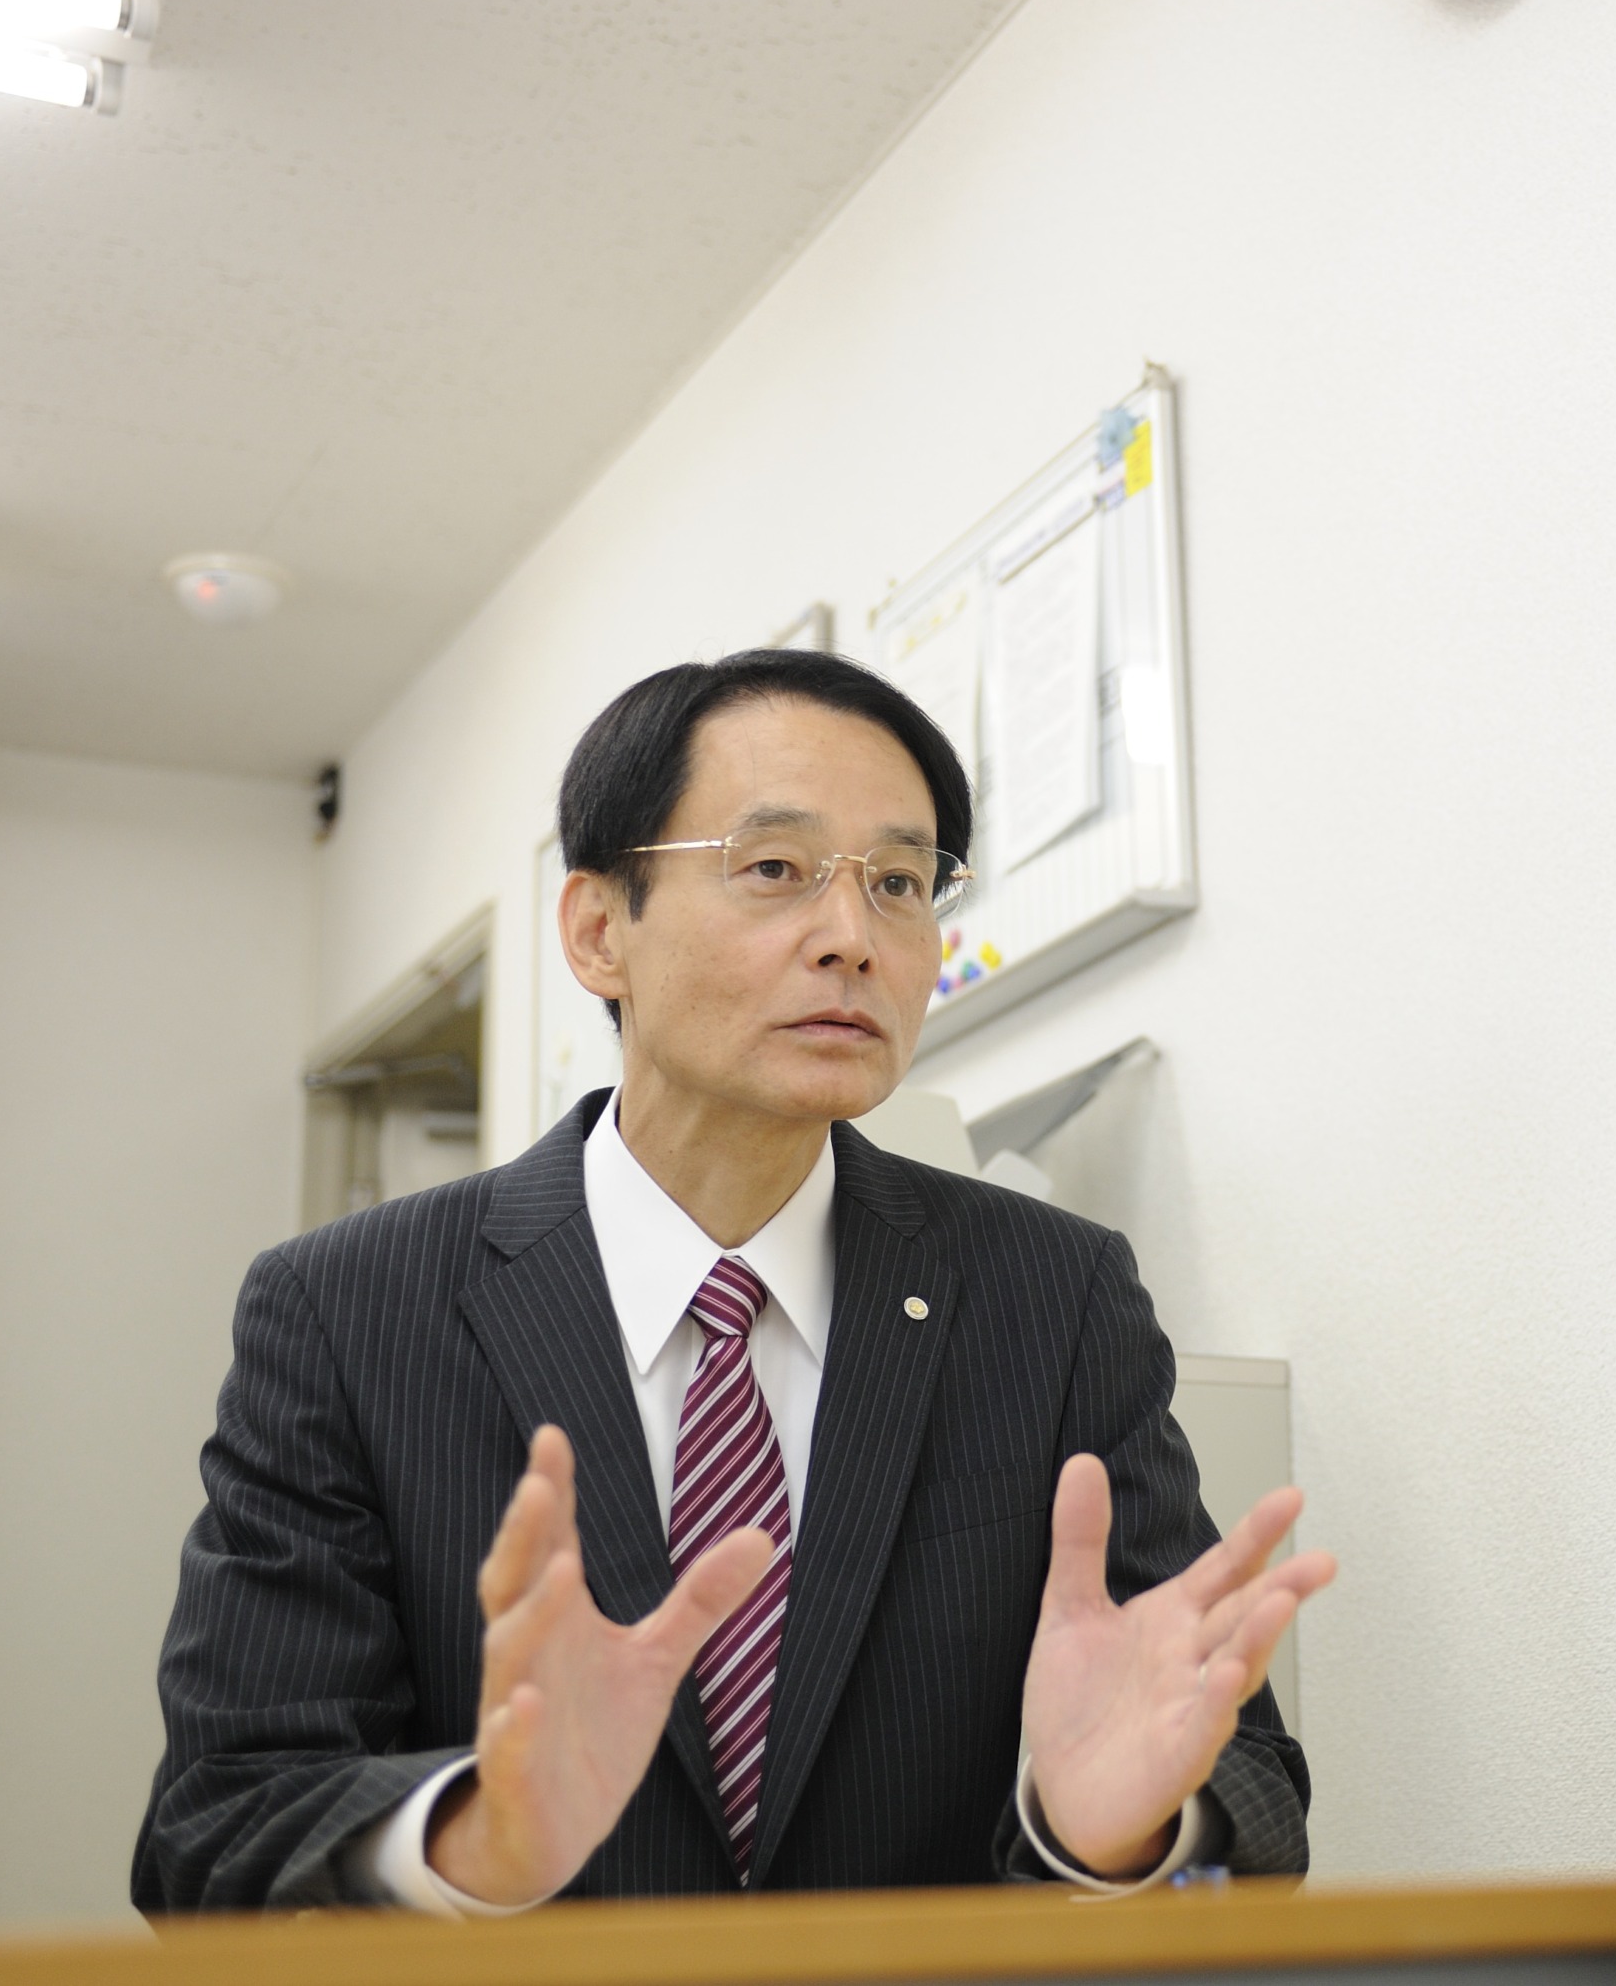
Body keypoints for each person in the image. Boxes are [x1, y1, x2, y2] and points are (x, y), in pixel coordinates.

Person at [135, 650, 1334, 1912]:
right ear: (601, 931)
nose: (852, 938)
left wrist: (1109, 1837)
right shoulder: (346, 1310)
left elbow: (1246, 1787)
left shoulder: (1053, 1293)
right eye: (774, 870)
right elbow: (213, 1836)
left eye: (900, 882)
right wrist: (475, 1840)